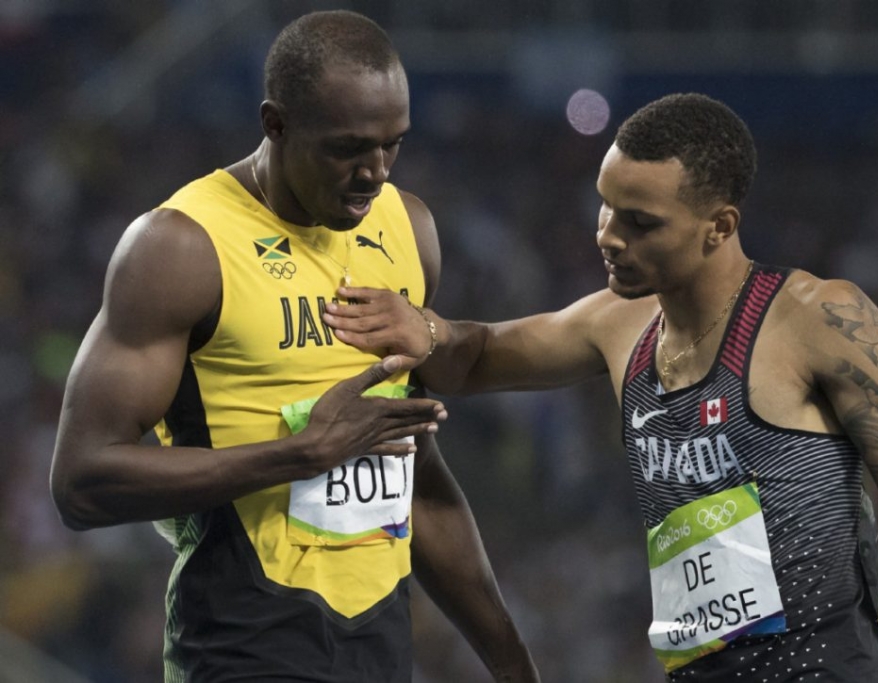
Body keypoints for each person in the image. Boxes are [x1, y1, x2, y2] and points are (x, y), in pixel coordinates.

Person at [323, 93, 878, 682]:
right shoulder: (618, 324)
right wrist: (425, 329)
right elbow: (477, 355)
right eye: (605, 208)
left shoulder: (817, 319)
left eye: (640, 222)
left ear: (719, 227)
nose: (608, 237)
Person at [50, 10, 540, 683]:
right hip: (242, 647)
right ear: (275, 123)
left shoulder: (408, 228)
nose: (375, 172)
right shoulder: (181, 246)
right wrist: (300, 453)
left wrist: (513, 664)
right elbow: (81, 481)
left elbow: (416, 476)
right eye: (348, 148)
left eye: (392, 144)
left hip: (382, 648)